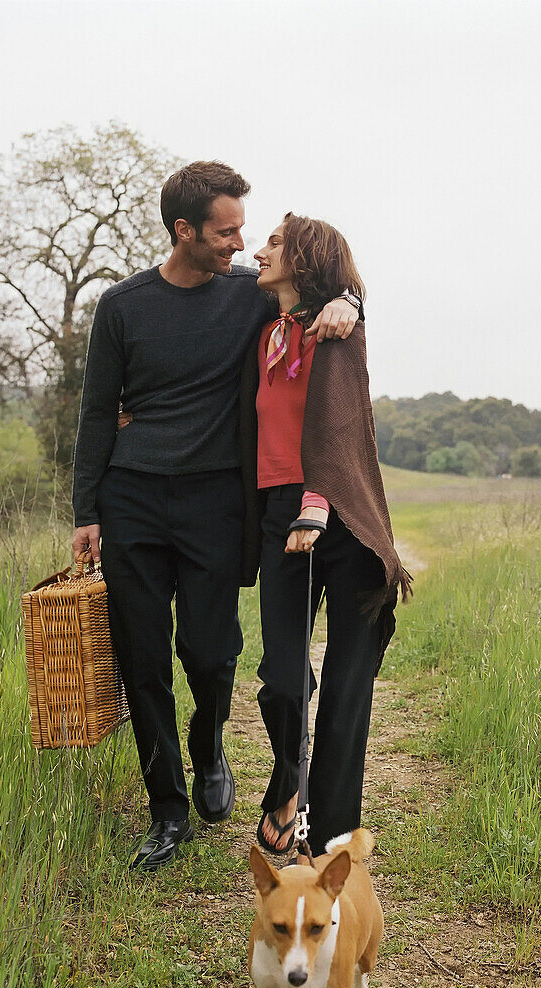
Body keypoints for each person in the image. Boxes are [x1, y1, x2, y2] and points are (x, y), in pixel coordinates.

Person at [71, 164, 360, 872]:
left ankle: (208, 744)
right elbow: (93, 412)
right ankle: (167, 811)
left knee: (209, 652)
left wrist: (352, 299)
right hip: (131, 499)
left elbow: (317, 296)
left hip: (214, 504)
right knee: (143, 660)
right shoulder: (122, 306)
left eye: (242, 230)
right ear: (184, 231)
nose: (238, 243)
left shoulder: (249, 297)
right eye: (225, 231)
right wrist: (86, 510)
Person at [241, 213, 411, 858]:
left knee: (347, 682)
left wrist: (350, 301)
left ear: (306, 258)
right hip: (280, 511)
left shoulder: (339, 331)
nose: (258, 251)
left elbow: (337, 429)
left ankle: (332, 841)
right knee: (283, 676)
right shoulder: (261, 330)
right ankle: (290, 784)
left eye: (275, 244)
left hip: (342, 512)